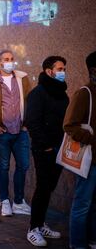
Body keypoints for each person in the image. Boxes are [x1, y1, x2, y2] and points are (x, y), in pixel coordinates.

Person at [25, 56, 69, 246]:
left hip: (60, 149)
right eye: (59, 68)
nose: (63, 72)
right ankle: (33, 228)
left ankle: (41, 224)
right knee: (43, 188)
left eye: (64, 68)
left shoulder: (62, 93)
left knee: (49, 188)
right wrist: (46, 146)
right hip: (44, 149)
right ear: (48, 71)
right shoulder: (38, 93)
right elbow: (32, 122)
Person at [0, 49, 32, 216]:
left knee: (23, 165)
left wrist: (27, 124)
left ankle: (18, 201)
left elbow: (30, 101)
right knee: (3, 166)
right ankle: (4, 201)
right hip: (2, 132)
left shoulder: (22, 78)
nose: (9, 62)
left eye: (12, 59)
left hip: (21, 131)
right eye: (6, 59)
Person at [64, 51, 96, 249]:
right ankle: (77, 244)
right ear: (93, 70)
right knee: (83, 204)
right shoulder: (84, 93)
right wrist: (93, 140)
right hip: (90, 160)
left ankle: (92, 239)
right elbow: (69, 125)